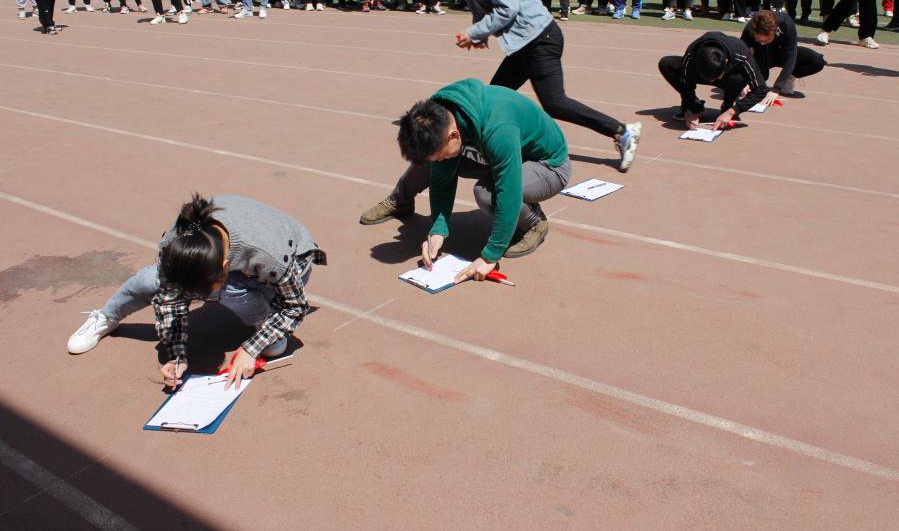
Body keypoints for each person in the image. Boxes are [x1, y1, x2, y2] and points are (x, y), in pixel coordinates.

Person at [437, 0, 640, 170]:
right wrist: (480, 35)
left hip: (540, 38)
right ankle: (481, 145)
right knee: (496, 93)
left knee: (555, 102)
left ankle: (622, 131)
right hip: (525, 43)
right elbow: (486, 8)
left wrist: (475, 31)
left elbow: (507, 8)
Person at [66, 194, 327, 390]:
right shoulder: (174, 243)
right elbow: (169, 298)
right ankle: (107, 316)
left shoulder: (267, 255)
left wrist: (251, 349)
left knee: (244, 310)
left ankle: (265, 320)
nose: (196, 299)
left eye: (201, 294)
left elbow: (295, 306)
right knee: (151, 279)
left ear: (224, 267)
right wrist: (176, 354)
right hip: (233, 265)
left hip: (291, 262)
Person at [360, 80, 571, 270]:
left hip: (547, 165)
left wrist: (490, 255)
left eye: (444, 154)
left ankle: (534, 223)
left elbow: (509, 191)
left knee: (487, 194)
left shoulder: (498, 129)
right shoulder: (438, 114)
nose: (442, 160)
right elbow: (442, 181)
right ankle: (401, 200)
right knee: (430, 160)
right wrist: (437, 231)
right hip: (493, 154)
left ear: (453, 135)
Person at [658, 31, 768, 130]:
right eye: (709, 78)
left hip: (731, 77)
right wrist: (690, 107)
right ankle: (697, 106)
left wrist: (732, 111)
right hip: (700, 71)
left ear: (726, 61)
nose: (712, 81)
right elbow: (686, 84)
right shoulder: (692, 55)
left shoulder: (741, 51)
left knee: (738, 78)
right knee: (666, 63)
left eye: (716, 76)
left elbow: (761, 89)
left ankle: (727, 106)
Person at [741, 9, 826, 98]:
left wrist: (777, 88)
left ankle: (788, 78)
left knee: (817, 61)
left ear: (774, 31)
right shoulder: (750, 29)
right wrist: (743, 81)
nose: (762, 42)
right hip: (761, 54)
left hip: (782, 52)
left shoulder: (786, 24)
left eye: (766, 40)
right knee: (759, 80)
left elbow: (791, 56)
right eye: (759, 40)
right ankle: (754, 80)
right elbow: (739, 56)